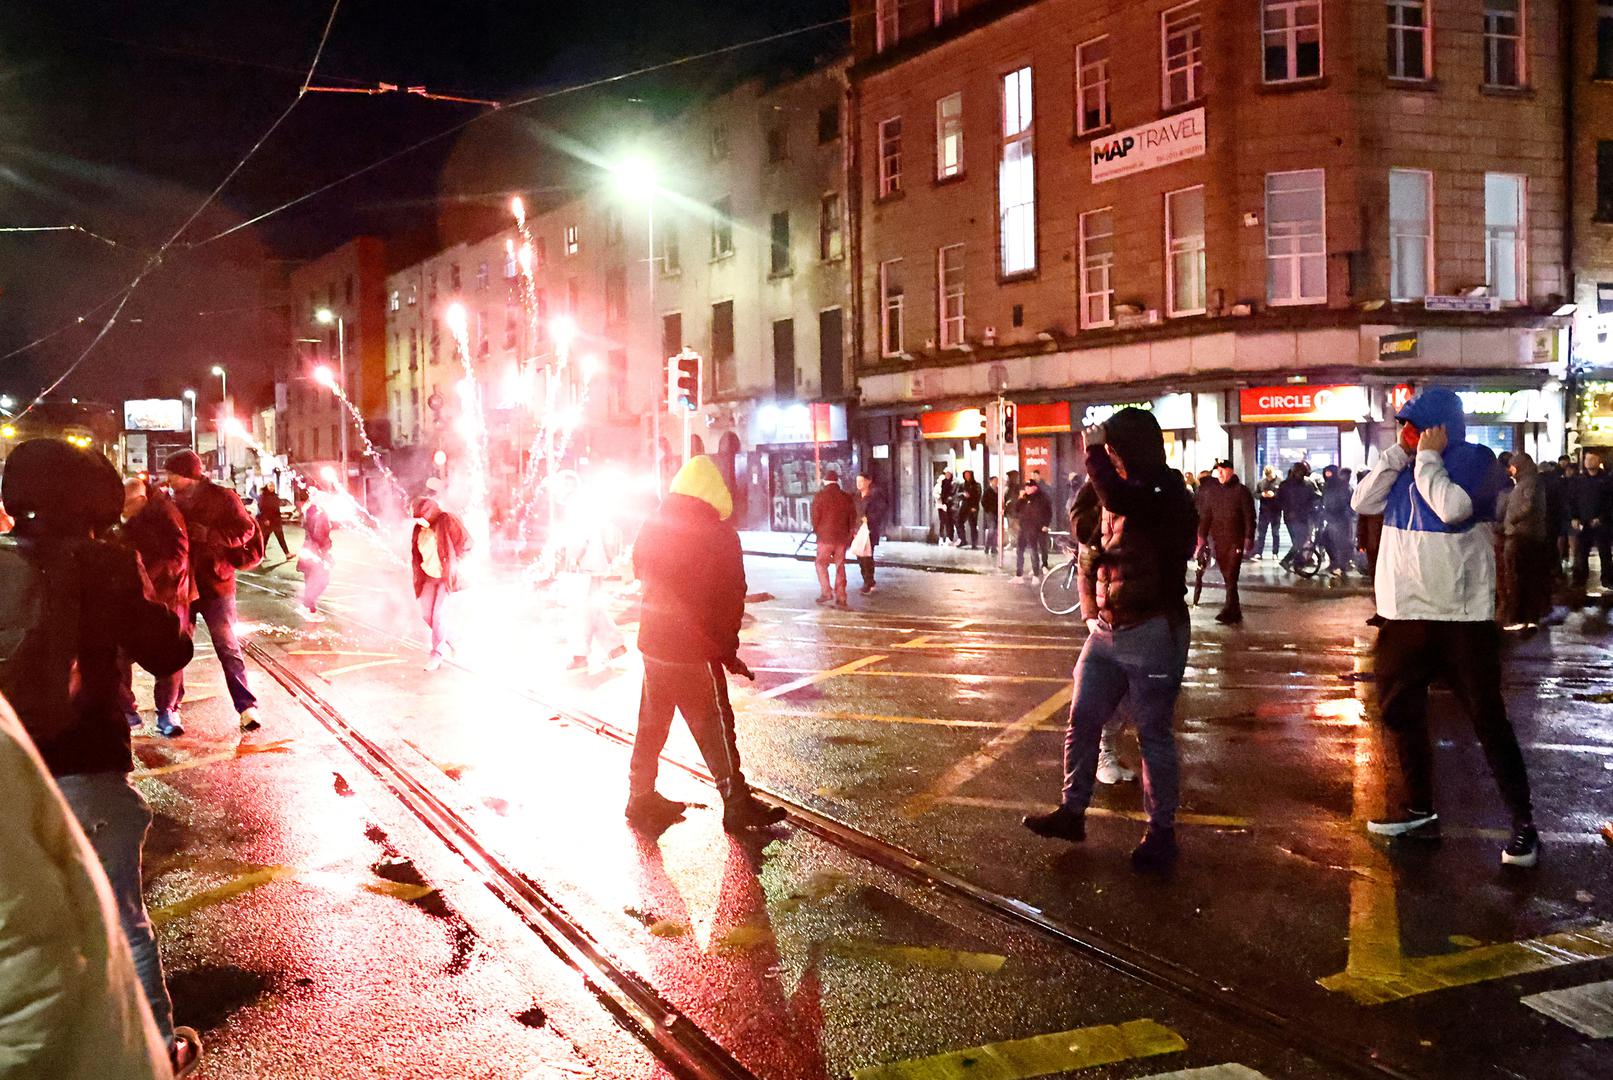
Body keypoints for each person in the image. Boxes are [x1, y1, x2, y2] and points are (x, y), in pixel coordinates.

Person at [0, 439, 201, 1075]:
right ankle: (156, 1051)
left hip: (10, 771)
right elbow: (166, 651)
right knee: (119, 918)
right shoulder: (103, 562)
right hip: (85, 765)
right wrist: (165, 606)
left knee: (22, 932)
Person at [1350, 388, 1537, 867]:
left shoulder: (1477, 461)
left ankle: (1523, 824)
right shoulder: (1403, 462)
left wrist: (1428, 459)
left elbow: (1453, 509)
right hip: (1404, 615)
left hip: (1460, 617)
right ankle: (1420, 812)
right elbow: (1363, 501)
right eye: (1402, 425)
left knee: (1487, 719)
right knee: (1401, 712)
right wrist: (1399, 454)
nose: (1406, 432)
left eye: (1415, 425)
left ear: (1442, 427)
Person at [1022, 410, 1197, 870]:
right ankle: (1072, 811)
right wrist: (1088, 611)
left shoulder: (1165, 491)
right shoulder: (1111, 488)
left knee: (1153, 733)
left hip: (1153, 628)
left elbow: (1124, 500)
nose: (1109, 456)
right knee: (1082, 719)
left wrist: (1097, 458)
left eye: (1115, 447)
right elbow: (1083, 529)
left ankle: (1161, 833)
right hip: (1106, 629)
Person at [0, 694, 175, 1079]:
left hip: (73, 775)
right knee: (124, 921)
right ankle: (162, 1045)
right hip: (89, 776)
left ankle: (159, 1047)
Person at [626, 455, 786, 833]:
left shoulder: (654, 523)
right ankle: (736, 802)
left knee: (652, 724)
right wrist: (727, 650)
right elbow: (731, 596)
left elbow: (638, 569)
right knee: (715, 724)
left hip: (654, 644)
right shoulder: (719, 533)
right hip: (693, 649)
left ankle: (640, 795)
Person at [163, 449, 262, 734]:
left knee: (227, 646)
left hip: (216, 584)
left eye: (173, 474)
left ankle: (246, 707)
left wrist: (211, 536)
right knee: (176, 647)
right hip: (183, 585)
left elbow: (246, 529)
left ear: (189, 475)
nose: (169, 479)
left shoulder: (223, 497)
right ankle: (170, 710)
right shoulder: (169, 501)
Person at [114, 477, 193, 734]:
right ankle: (127, 710)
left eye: (126, 505)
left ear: (140, 500)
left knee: (167, 653)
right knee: (117, 653)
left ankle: (167, 712)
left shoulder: (165, 514)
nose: (122, 511)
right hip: (137, 594)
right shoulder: (130, 520)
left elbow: (178, 555)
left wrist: (145, 574)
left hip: (168, 595)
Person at [410, 495, 472, 671]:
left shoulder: (446, 520)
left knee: (438, 616)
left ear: (429, 512)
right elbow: (417, 554)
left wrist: (455, 563)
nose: (418, 521)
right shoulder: (419, 529)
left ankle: (436, 655)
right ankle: (453, 638)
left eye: (420, 516)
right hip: (428, 577)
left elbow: (466, 543)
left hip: (446, 578)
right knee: (426, 616)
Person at [1195, 460, 1255, 624]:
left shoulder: (1241, 491)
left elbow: (1249, 516)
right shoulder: (1213, 492)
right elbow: (1206, 516)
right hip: (1219, 540)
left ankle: (1229, 609)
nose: (1220, 473)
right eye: (1218, 470)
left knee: (1231, 573)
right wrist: (1201, 538)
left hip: (1235, 540)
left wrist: (1249, 537)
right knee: (1227, 575)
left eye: (1223, 470)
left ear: (1231, 471)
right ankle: (1234, 610)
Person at [1499, 452, 1553, 630]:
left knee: (1519, 577)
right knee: (1523, 577)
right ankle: (1524, 615)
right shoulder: (1526, 482)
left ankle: (1520, 616)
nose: (1511, 470)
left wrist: (1512, 519)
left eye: (1513, 466)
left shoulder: (1530, 482)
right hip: (1523, 534)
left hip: (1523, 535)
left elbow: (1528, 505)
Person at [810, 469, 856, 609]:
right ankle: (841, 597)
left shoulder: (820, 496)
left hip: (825, 538)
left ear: (825, 481)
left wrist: (817, 531)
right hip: (841, 538)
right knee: (840, 566)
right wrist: (849, 534)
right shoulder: (846, 497)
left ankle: (826, 592)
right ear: (837, 481)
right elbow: (852, 517)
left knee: (821, 564)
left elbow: (815, 517)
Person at [1569, 451, 1613, 595]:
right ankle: (1580, 579)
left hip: (1602, 522)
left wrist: (1601, 517)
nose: (1588, 462)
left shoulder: (1607, 480)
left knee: (1605, 552)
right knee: (1581, 552)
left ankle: (1607, 579)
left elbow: (1610, 502)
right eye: (1586, 459)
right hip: (1583, 521)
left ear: (1598, 460)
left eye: (1591, 459)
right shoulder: (1579, 480)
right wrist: (1574, 517)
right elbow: (1572, 500)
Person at [297, 488, 335, 623]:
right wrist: (325, 549)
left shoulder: (309, 510)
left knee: (311, 579)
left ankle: (308, 607)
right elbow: (319, 534)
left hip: (309, 550)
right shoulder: (319, 513)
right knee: (320, 579)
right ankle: (308, 607)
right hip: (316, 552)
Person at [1278, 462, 1320, 571]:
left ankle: (1296, 563)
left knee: (1299, 542)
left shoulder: (1307, 484)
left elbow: (1313, 498)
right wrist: (1288, 510)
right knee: (1298, 542)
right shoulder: (1285, 485)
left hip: (1303, 517)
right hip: (1292, 517)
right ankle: (1291, 561)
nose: (1301, 474)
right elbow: (1280, 501)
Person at [854, 472, 888, 594]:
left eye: (861, 481)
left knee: (867, 556)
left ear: (868, 481)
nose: (858, 484)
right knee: (859, 555)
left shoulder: (875, 495)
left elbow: (881, 510)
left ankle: (868, 581)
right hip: (858, 530)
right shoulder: (857, 496)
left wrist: (869, 518)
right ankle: (868, 580)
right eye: (857, 481)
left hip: (870, 530)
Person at [1012, 478, 1053, 581]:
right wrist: (1020, 498)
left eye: (1029, 487)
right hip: (1023, 527)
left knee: (1033, 550)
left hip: (1035, 528)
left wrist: (1045, 524)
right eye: (1026, 487)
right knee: (1020, 550)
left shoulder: (1041, 498)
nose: (1027, 489)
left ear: (1034, 487)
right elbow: (1016, 510)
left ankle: (1036, 574)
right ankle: (1019, 575)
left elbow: (1048, 512)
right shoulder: (1024, 498)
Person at [1320, 465, 1356, 576]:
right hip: (1332, 519)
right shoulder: (1328, 486)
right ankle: (1336, 563)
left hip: (1341, 519)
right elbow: (1325, 501)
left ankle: (1341, 565)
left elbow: (1346, 504)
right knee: (1326, 539)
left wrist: (1341, 515)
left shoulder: (1343, 487)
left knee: (1340, 543)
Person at [1254, 465, 1282, 559]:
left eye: (1270, 475)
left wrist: (1274, 495)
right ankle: (1259, 552)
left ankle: (1275, 552)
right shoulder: (1261, 483)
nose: (1269, 478)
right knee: (1261, 533)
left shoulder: (1280, 482)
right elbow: (1256, 494)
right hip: (1264, 511)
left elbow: (1284, 494)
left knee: (1275, 533)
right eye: (1267, 476)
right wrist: (1262, 494)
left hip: (1276, 511)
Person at [257, 484, 291, 561]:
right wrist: (265, 519)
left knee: (281, 538)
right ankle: (261, 555)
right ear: (267, 487)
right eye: (270, 486)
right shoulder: (263, 497)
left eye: (273, 486)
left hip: (276, 521)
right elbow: (261, 508)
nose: (272, 487)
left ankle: (287, 554)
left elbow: (277, 508)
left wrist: (279, 518)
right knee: (265, 539)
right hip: (268, 521)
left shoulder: (275, 496)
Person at [957, 469, 982, 548]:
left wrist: (974, 507)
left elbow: (978, 496)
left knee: (973, 525)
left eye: (968, 475)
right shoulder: (962, 485)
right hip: (964, 506)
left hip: (973, 506)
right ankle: (963, 540)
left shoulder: (977, 485)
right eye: (965, 475)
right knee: (959, 522)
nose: (967, 477)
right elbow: (958, 494)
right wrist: (963, 494)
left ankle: (974, 544)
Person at [935, 470, 956, 545]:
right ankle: (941, 538)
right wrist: (940, 497)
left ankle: (948, 538)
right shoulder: (938, 486)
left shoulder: (949, 484)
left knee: (948, 522)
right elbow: (935, 494)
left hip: (947, 506)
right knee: (942, 522)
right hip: (940, 506)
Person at [983, 475, 1001, 555]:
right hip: (990, 512)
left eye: (997, 481)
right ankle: (987, 546)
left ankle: (994, 547)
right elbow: (983, 501)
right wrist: (988, 509)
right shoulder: (988, 491)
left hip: (997, 512)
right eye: (994, 480)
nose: (996, 482)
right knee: (992, 529)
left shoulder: (999, 490)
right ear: (991, 482)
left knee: (996, 530)